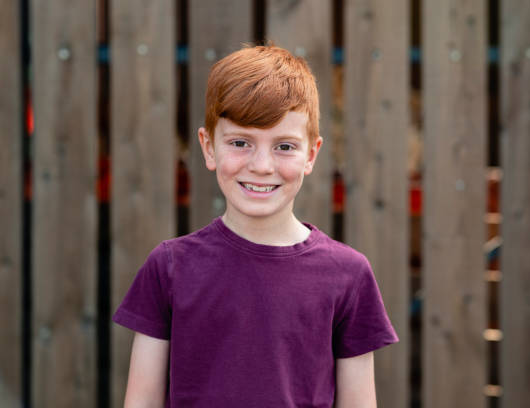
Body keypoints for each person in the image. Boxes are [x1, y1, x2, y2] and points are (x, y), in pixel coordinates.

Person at [112, 44, 399, 407]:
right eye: (240, 142)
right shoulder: (169, 267)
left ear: (311, 154)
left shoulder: (349, 274)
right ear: (208, 147)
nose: (262, 165)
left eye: (284, 147)